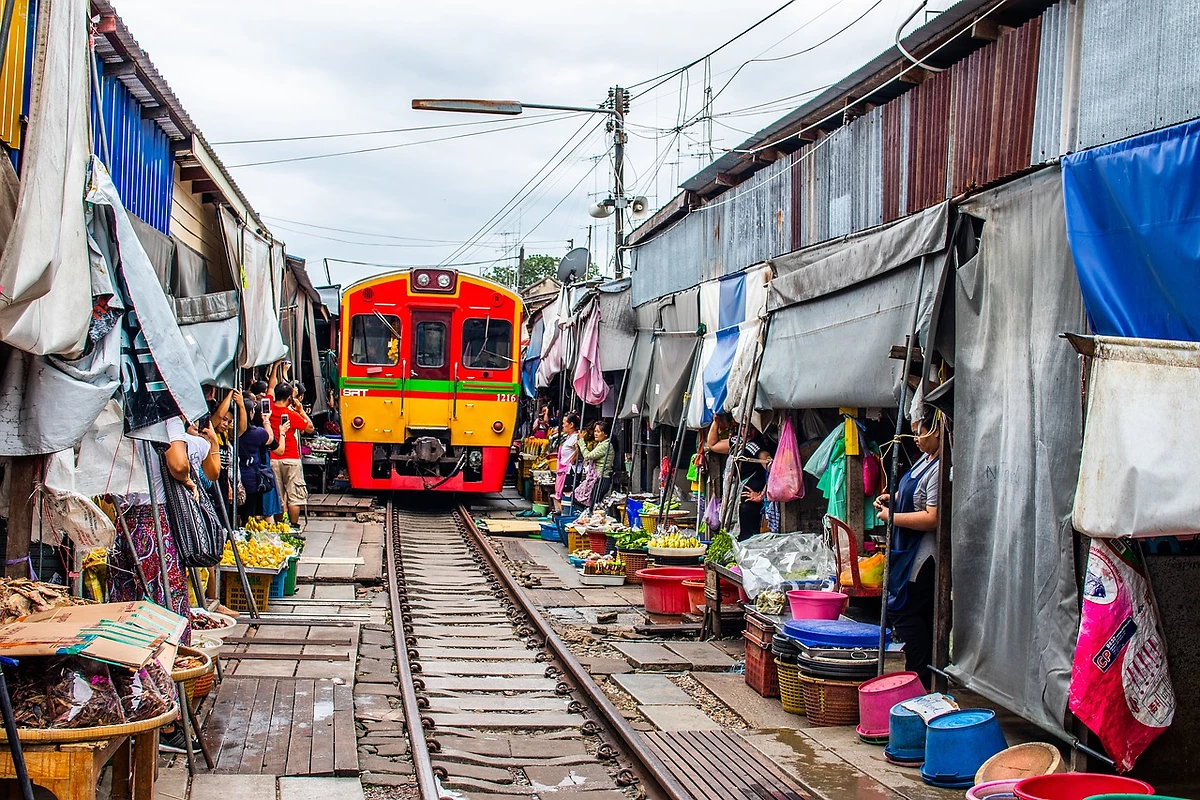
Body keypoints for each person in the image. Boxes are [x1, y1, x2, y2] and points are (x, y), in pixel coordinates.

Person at [874, 410, 941, 689]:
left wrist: (892, 517)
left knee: (907, 613)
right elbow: (913, 493)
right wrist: (894, 497)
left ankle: (918, 678)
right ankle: (918, 675)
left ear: (936, 431)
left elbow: (932, 517)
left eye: (919, 432)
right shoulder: (926, 460)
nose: (915, 438)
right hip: (906, 547)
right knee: (914, 615)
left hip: (923, 555)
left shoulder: (940, 468)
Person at [706, 418, 773, 541]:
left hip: (749, 505)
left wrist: (762, 495)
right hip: (735, 499)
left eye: (752, 429)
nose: (747, 431)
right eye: (743, 427)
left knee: (747, 538)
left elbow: (773, 469)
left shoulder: (756, 447)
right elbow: (713, 444)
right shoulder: (737, 442)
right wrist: (716, 422)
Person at [268, 382, 314, 529]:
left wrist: (275, 368)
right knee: (294, 497)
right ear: (289, 398)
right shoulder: (291, 415)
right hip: (292, 458)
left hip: (273, 458)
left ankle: (279, 527)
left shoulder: (268, 410)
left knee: (279, 496)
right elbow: (310, 428)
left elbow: (270, 387)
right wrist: (301, 410)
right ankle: (294, 526)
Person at [238, 399, 281, 520]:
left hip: (234, 478)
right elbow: (270, 438)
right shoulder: (258, 433)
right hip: (251, 478)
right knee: (249, 513)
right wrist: (266, 420)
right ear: (250, 413)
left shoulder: (232, 433)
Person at [578, 419, 615, 510]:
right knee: (591, 503)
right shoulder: (601, 444)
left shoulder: (605, 445)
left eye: (598, 432)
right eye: (595, 431)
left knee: (594, 505)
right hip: (598, 478)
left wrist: (581, 442)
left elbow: (588, 456)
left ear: (605, 434)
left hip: (602, 478)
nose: (595, 434)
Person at [552, 412, 580, 513]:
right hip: (564, 471)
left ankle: (567, 515)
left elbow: (579, 448)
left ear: (571, 425)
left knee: (567, 496)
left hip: (570, 472)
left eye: (564, 423)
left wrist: (572, 459)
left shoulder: (575, 437)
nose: (562, 425)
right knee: (563, 496)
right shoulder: (569, 437)